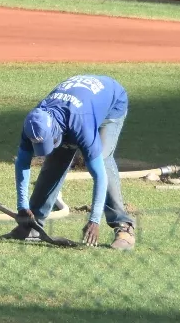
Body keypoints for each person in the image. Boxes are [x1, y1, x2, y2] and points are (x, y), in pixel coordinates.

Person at [8, 74, 137, 250]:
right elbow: (22, 164)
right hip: (76, 105)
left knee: (103, 158)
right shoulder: (34, 122)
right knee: (56, 159)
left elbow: (99, 175)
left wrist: (94, 219)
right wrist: (22, 206)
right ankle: (34, 225)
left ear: (55, 130)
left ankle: (124, 227)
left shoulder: (80, 124)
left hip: (110, 102)